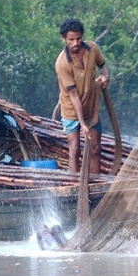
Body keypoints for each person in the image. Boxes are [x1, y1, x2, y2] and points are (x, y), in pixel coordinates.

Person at [54, 17, 110, 173]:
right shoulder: (62, 63)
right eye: (71, 39)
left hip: (91, 108)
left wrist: (105, 76)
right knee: (75, 149)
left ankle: (95, 185)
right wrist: (82, 124)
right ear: (64, 38)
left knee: (95, 148)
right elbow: (73, 96)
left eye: (78, 38)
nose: (75, 43)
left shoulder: (92, 49)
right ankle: (75, 186)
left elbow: (103, 66)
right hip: (72, 110)